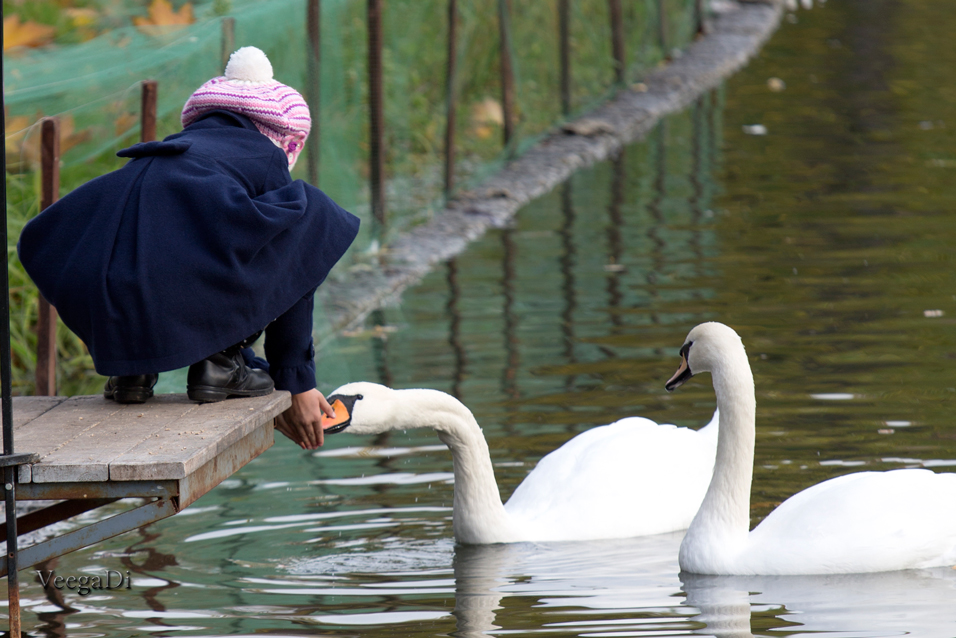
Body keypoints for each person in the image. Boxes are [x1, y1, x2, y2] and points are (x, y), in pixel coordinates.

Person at [17, 47, 359, 450]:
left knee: (151, 243)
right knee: (313, 215)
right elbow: (295, 262)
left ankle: (134, 372)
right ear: (285, 139)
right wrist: (295, 378)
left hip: (107, 288)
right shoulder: (265, 157)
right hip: (177, 282)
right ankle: (219, 366)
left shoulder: (165, 155)